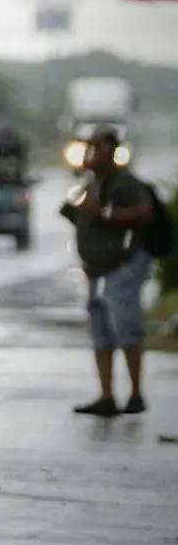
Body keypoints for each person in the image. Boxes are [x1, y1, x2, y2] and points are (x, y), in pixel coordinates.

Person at [60, 126, 156, 418]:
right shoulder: (93, 183)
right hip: (97, 269)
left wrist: (106, 214)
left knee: (126, 327)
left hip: (122, 268)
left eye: (95, 147)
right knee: (101, 330)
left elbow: (144, 212)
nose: (89, 153)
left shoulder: (123, 183)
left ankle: (136, 393)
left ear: (110, 150)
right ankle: (106, 395)